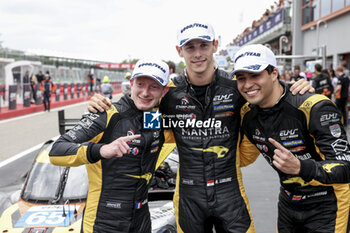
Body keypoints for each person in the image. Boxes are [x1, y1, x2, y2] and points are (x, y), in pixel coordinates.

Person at [88, 23, 313, 233]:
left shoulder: (236, 87)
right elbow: (140, 114)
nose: (197, 53)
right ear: (179, 51)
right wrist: (104, 107)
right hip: (189, 196)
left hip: (230, 193)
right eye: (190, 47)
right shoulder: (168, 93)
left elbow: (269, 97)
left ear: (215, 46)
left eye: (204, 45)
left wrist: (294, 88)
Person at [233, 44, 350, 233]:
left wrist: (301, 167)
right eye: (241, 78)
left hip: (328, 204)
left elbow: (345, 167)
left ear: (274, 74)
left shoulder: (314, 106)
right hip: (288, 203)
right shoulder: (247, 114)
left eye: (255, 75)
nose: (247, 84)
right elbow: (243, 158)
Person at [49, 59, 170, 233]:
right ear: (131, 84)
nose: (145, 92)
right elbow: (56, 151)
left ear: (164, 91)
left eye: (154, 87)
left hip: (141, 221)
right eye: (140, 84)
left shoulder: (156, 118)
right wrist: (100, 150)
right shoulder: (106, 114)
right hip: (103, 222)